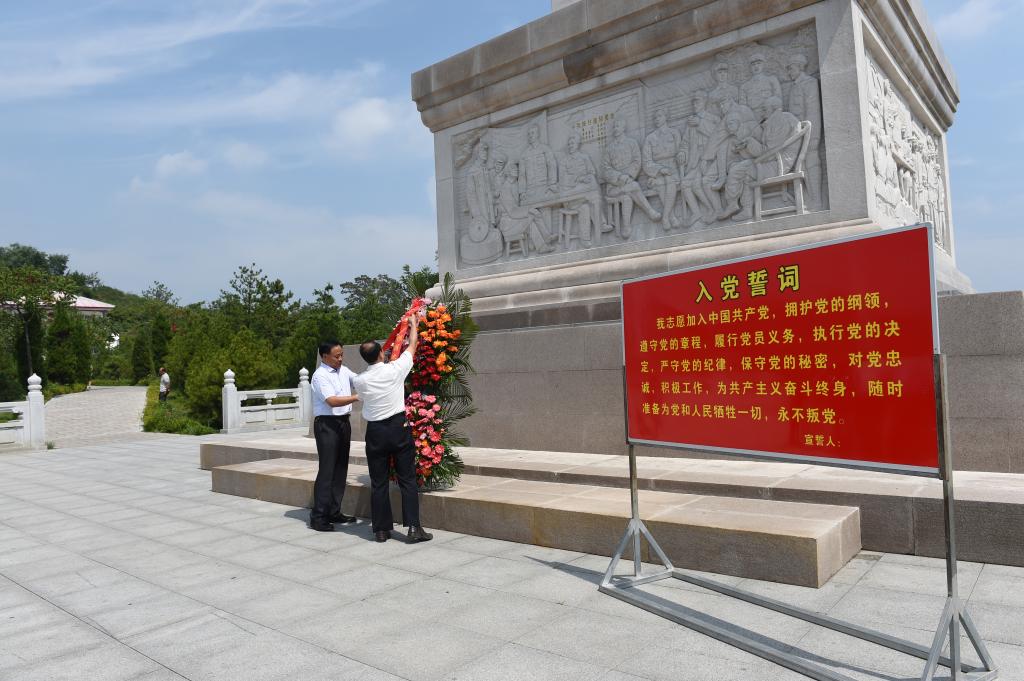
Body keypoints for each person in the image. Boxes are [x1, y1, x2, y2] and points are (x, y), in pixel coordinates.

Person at [352, 318, 433, 543]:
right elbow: (412, 346)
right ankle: (414, 528)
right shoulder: (395, 369)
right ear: (381, 353)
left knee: (378, 482)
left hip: (375, 432)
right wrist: (413, 325)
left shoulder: (360, 380)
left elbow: (363, 396)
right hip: (398, 428)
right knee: (407, 479)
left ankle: (380, 530)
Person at [309, 341, 360, 532]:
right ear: (324, 356)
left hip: (343, 423)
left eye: (341, 355)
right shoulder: (320, 376)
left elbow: (359, 381)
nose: (340, 359)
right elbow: (332, 401)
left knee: (340, 468)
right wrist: (356, 397)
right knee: (327, 470)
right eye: (336, 356)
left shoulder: (343, 370)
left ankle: (333, 511)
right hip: (327, 425)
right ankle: (319, 517)